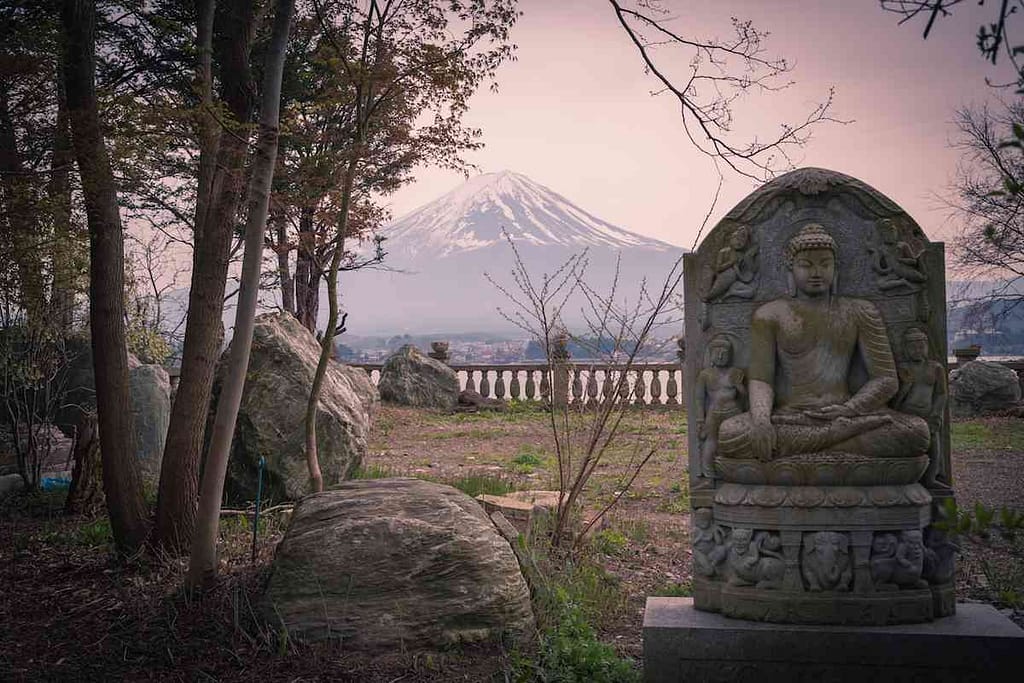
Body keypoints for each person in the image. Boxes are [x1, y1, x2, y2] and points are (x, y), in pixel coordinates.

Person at [718, 224, 930, 462]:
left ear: (836, 268)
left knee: (916, 433)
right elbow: (761, 378)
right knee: (729, 434)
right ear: (790, 268)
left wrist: (850, 409)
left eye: (824, 264)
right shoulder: (770, 314)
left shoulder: (860, 311)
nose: (816, 272)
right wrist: (760, 420)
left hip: (846, 413)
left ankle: (816, 445)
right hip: (790, 417)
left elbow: (887, 379)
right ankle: (837, 443)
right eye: (806, 265)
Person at [694, 335, 746, 481]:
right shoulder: (706, 375)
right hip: (714, 411)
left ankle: (735, 473)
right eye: (718, 352)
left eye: (725, 353)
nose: (722, 355)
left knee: (735, 441)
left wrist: (739, 386)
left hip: (734, 411)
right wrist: (700, 419)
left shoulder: (735, 373)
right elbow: (699, 398)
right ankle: (708, 474)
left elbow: (744, 396)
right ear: (711, 355)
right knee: (711, 441)